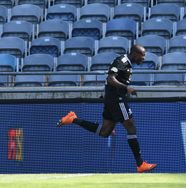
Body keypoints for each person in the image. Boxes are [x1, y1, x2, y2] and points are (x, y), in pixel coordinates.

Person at [57, 45, 157, 173]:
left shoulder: (127, 63)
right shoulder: (122, 61)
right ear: (134, 53)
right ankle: (140, 164)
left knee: (105, 132)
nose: (143, 58)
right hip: (117, 99)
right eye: (142, 55)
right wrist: (126, 89)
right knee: (131, 127)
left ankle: (73, 119)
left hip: (111, 99)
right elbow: (110, 79)